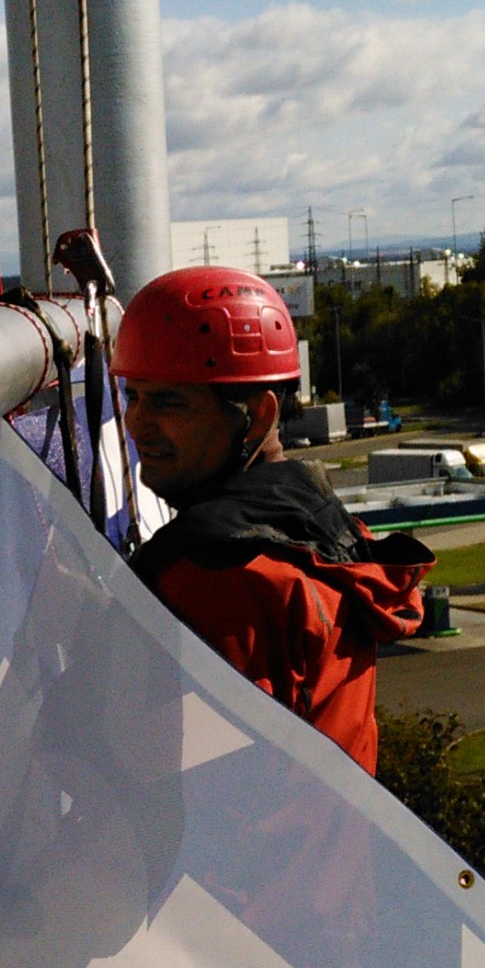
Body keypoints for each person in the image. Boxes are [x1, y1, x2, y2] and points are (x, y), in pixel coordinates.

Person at [113, 265, 430, 774]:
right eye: (132, 396)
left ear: (258, 416)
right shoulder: (329, 535)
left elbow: (156, 775)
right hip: (333, 853)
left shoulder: (222, 580)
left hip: (225, 855)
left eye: (168, 401)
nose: (135, 423)